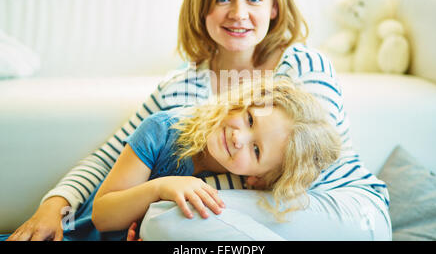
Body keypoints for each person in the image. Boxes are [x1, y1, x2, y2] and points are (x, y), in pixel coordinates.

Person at [5, 0, 391, 241]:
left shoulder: (302, 66)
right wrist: (54, 207)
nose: (238, 13)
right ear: (200, 7)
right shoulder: (178, 89)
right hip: (235, 223)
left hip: (341, 210)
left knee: (167, 218)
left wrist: (164, 197)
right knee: (171, 221)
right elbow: (109, 157)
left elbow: (297, 174)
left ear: (274, 7)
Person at [91, 78, 341, 233]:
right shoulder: (163, 130)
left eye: (256, 150)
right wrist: (161, 188)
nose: (238, 137)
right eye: (250, 119)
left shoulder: (239, 194)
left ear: (259, 179)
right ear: (243, 103)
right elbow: (101, 216)